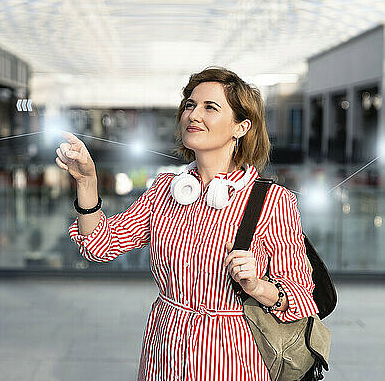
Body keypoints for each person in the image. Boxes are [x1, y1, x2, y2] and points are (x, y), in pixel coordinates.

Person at [56, 67, 319, 381]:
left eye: (210, 107)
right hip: (164, 354)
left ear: (241, 126)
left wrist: (257, 286)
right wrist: (87, 182)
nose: (194, 114)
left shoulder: (272, 201)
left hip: (232, 358)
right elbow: (100, 245)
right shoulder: (165, 190)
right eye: (190, 105)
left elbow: (302, 296)